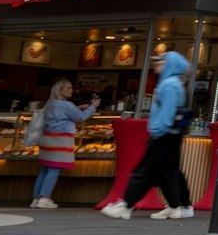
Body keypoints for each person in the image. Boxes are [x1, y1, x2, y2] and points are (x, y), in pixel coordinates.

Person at [99, 51, 195, 221]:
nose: (156, 64)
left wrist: (157, 130)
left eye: (160, 61)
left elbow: (166, 113)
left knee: (144, 171)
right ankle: (176, 206)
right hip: (171, 135)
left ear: (169, 64)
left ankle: (126, 205)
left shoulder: (169, 85)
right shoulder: (173, 83)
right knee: (168, 172)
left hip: (163, 135)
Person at [29, 79, 98, 209]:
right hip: (60, 140)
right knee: (55, 169)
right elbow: (80, 117)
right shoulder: (66, 105)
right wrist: (93, 106)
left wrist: (77, 108)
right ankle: (44, 198)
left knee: (44, 169)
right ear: (60, 91)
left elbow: (62, 113)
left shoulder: (49, 104)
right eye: (68, 88)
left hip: (46, 139)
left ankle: (36, 199)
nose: (71, 90)